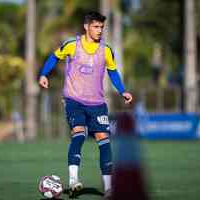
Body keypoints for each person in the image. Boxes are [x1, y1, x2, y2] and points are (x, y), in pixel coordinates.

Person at [38, 11, 133, 199]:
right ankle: (74, 181)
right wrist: (43, 74)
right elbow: (53, 57)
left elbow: (113, 72)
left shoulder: (106, 50)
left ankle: (108, 189)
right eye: (96, 27)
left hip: (97, 103)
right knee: (79, 135)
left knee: (104, 142)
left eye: (101, 27)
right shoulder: (72, 45)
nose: (99, 31)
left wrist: (122, 90)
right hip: (74, 100)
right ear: (86, 26)